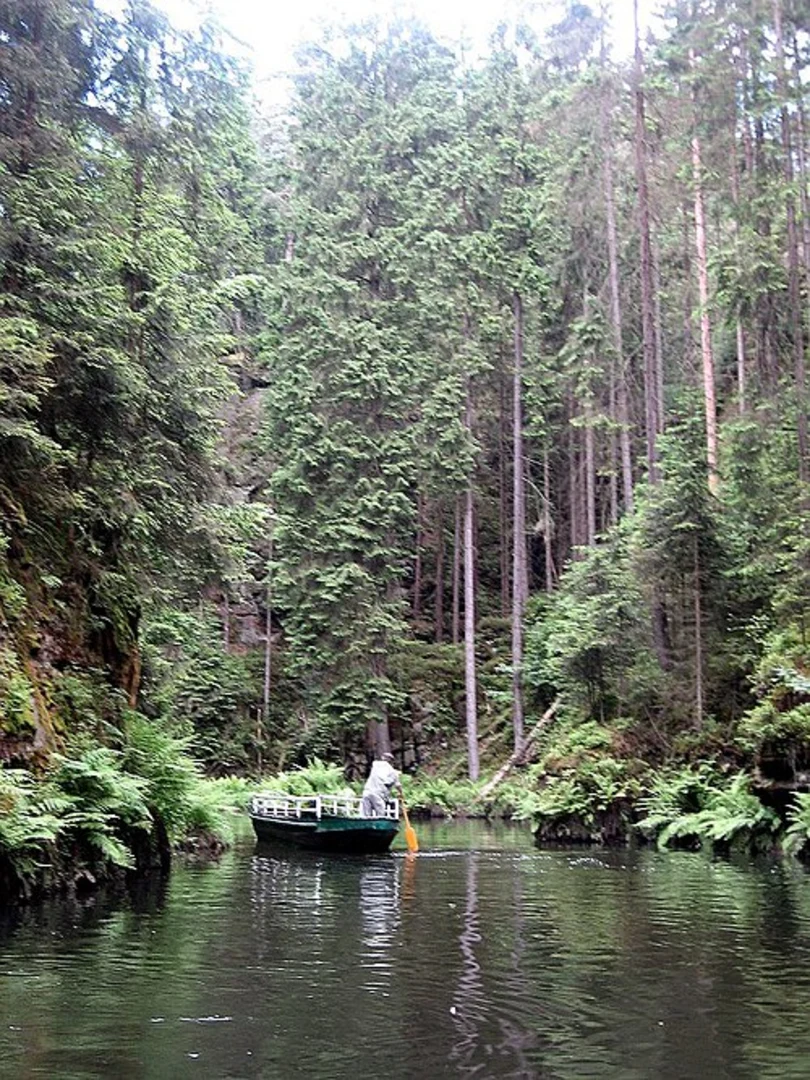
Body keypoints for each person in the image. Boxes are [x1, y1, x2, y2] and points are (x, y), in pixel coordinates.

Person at [361, 752, 400, 817]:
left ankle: (366, 823)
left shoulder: (375, 764)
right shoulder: (393, 772)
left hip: (367, 792)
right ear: (391, 762)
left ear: (382, 758)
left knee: (366, 815)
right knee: (380, 814)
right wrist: (400, 793)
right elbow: (398, 785)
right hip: (378, 795)